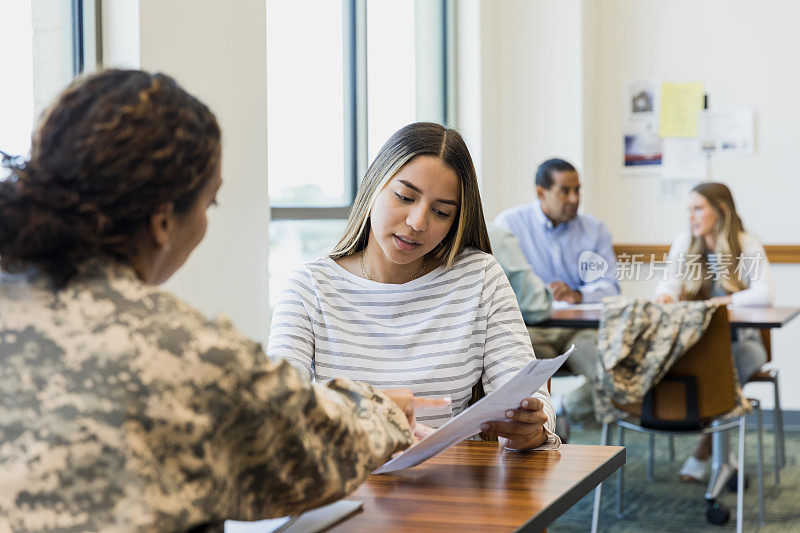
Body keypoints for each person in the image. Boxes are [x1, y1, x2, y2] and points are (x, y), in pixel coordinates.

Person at [0, 69, 427, 532]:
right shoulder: (183, 352)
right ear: (164, 222)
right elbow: (313, 451)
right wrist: (382, 410)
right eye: (209, 205)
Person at [268, 122, 560, 451]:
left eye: (441, 212)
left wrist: (531, 428)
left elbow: (530, 396)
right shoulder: (308, 288)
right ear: (374, 186)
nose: (418, 223)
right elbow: (278, 413)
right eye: (405, 197)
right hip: (344, 488)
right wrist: (367, 410)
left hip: (451, 487)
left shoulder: (479, 276)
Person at [653, 182, 774, 482]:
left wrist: (725, 300)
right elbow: (668, 283)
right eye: (689, 210)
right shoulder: (686, 242)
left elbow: (766, 294)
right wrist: (665, 296)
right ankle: (722, 454)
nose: (690, 217)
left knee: (733, 363)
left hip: (742, 343)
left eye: (697, 209)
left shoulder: (746, 244)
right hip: (698, 343)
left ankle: (703, 451)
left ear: (720, 211)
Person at [494, 158, 620, 424]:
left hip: (580, 330)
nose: (574, 198)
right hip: (532, 329)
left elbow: (611, 286)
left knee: (615, 376)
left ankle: (565, 407)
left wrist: (578, 294)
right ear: (541, 192)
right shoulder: (509, 226)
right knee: (517, 373)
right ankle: (542, 429)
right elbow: (499, 286)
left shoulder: (594, 230)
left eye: (578, 190)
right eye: (565, 190)